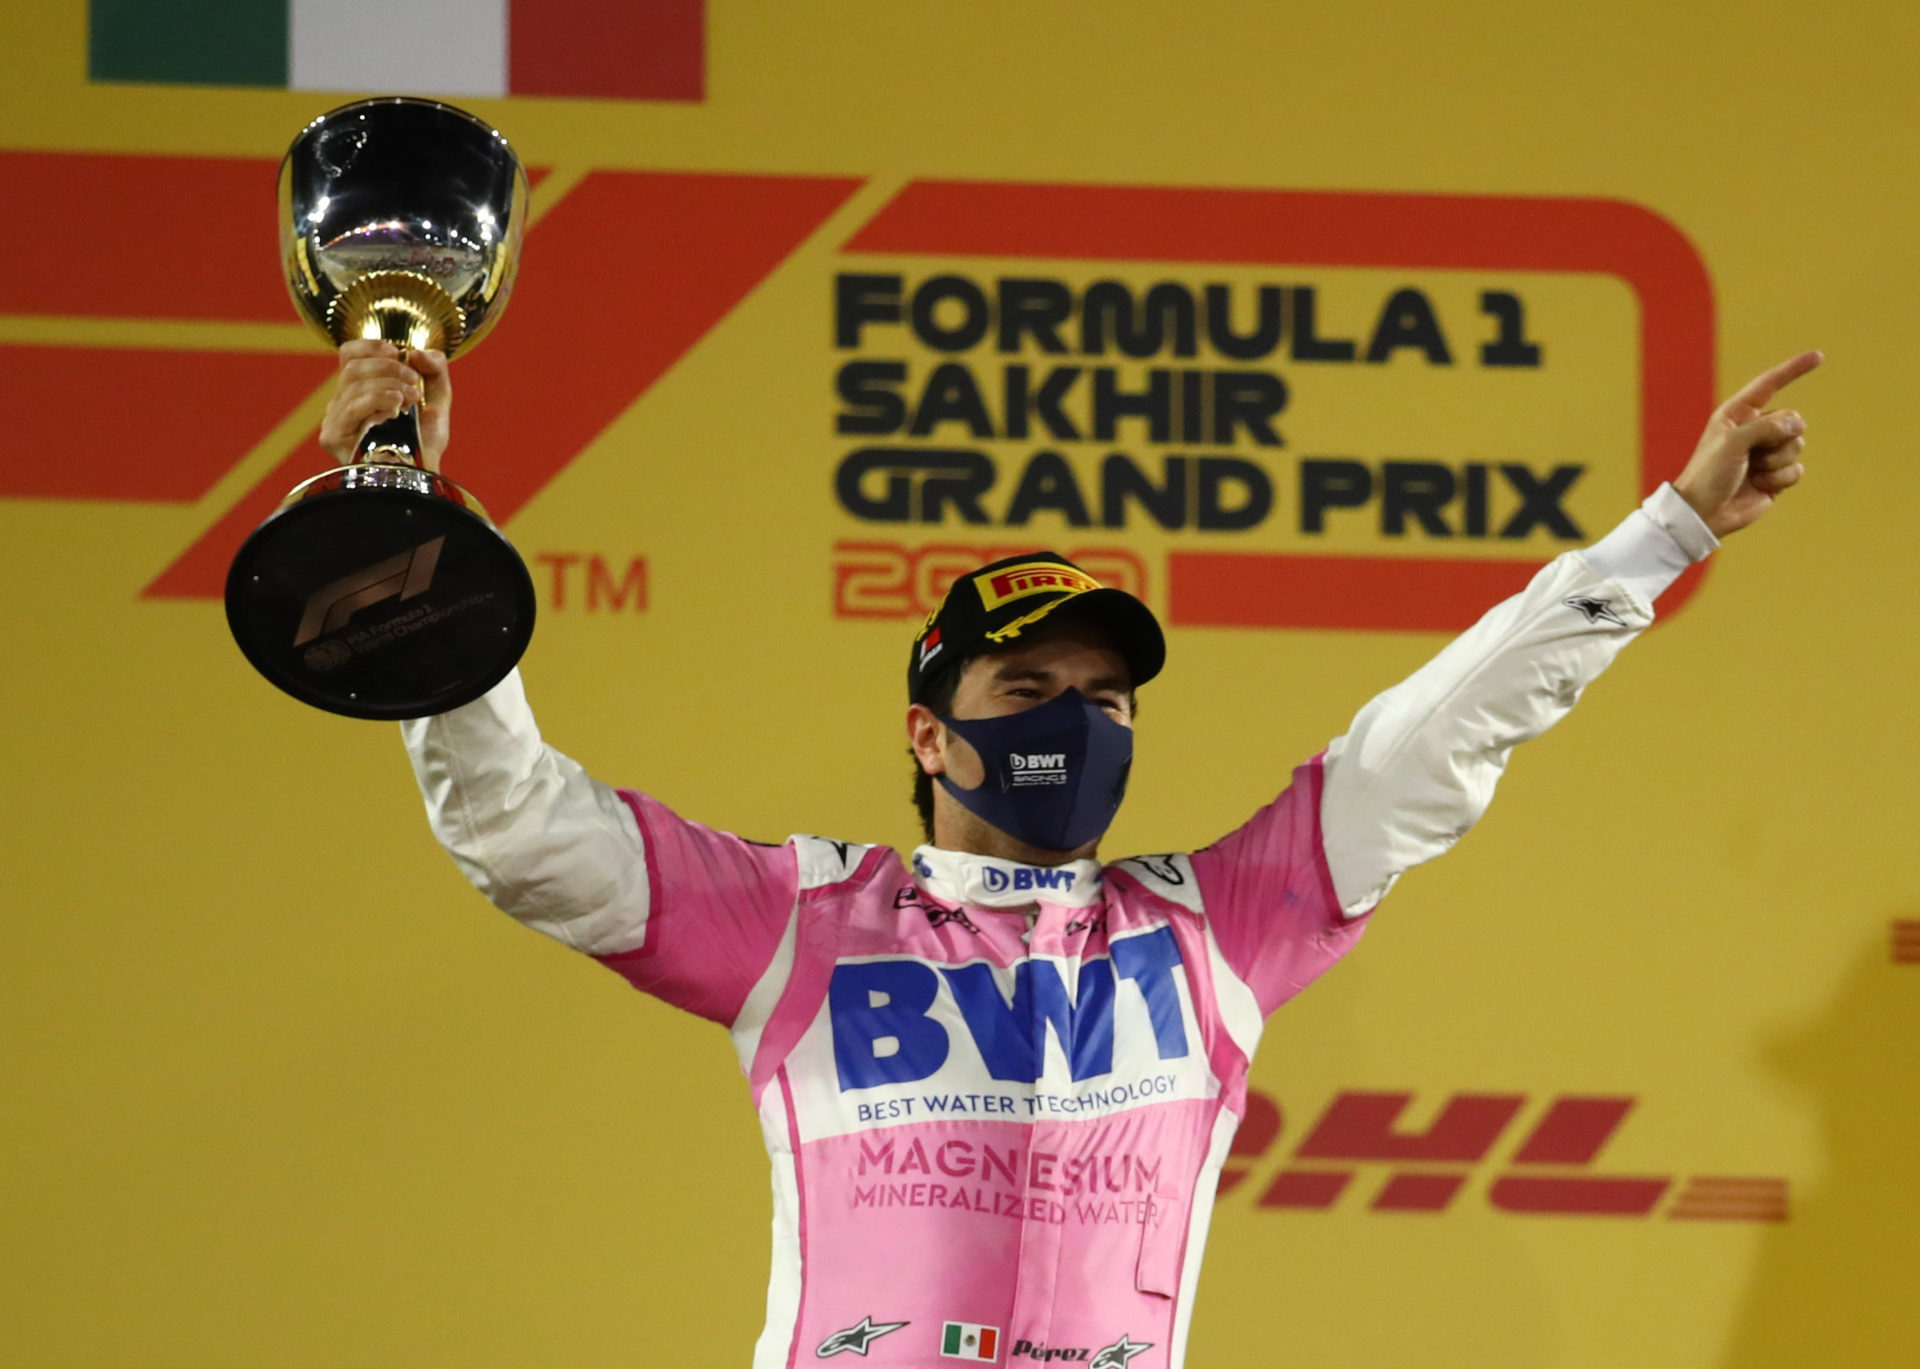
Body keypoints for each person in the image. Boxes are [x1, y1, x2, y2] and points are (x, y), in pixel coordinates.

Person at [322, 339, 1820, 1368]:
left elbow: (1435, 737)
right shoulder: (806, 923)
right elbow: (521, 825)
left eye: (1106, 698)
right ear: (930, 733)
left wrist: (1665, 533)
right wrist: (415, 555)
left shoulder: (1214, 927)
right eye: (1029, 693)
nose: (1077, 724)